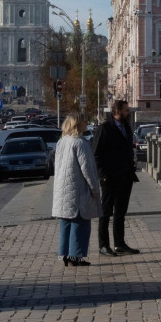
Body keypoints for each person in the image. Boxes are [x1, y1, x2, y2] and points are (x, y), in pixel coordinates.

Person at [52, 112, 101, 267]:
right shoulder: (80, 143)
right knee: (80, 222)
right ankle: (76, 256)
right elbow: (87, 169)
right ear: (77, 124)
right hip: (78, 190)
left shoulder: (61, 142)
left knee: (66, 223)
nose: (87, 123)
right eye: (84, 121)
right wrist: (95, 189)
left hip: (62, 190)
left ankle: (64, 254)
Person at [92, 100, 140, 257]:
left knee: (120, 212)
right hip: (109, 178)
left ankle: (120, 244)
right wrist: (103, 174)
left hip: (125, 176)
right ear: (117, 111)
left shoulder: (127, 128)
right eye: (126, 110)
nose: (129, 113)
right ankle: (103, 245)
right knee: (106, 212)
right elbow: (96, 154)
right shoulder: (104, 128)